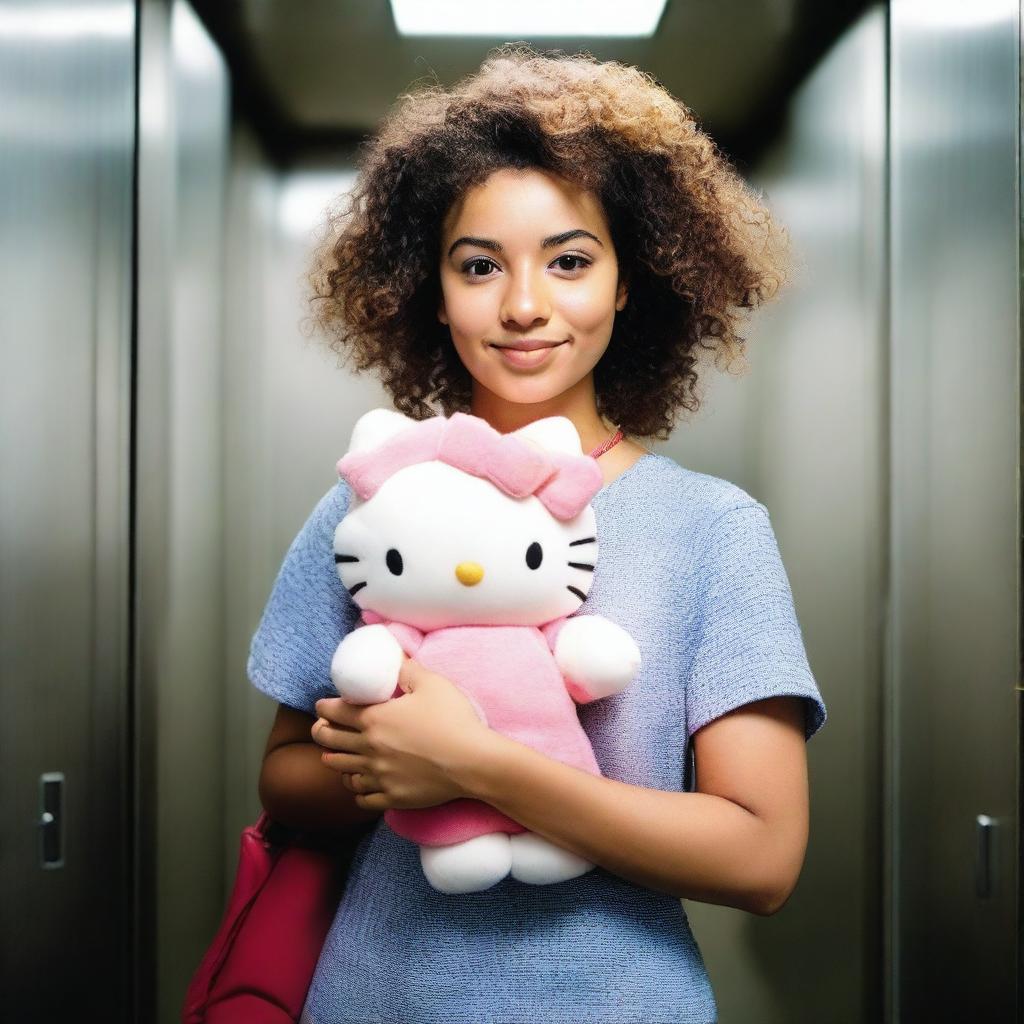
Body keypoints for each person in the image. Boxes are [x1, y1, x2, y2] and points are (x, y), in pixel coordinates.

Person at [249, 43, 827, 1024]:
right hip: (375, 997)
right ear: (432, 290)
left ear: (627, 281)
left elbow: (760, 857)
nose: (523, 305)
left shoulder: (711, 530)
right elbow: (285, 776)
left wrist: (479, 764)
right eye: (479, 266)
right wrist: (386, 764)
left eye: (568, 261)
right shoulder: (367, 507)